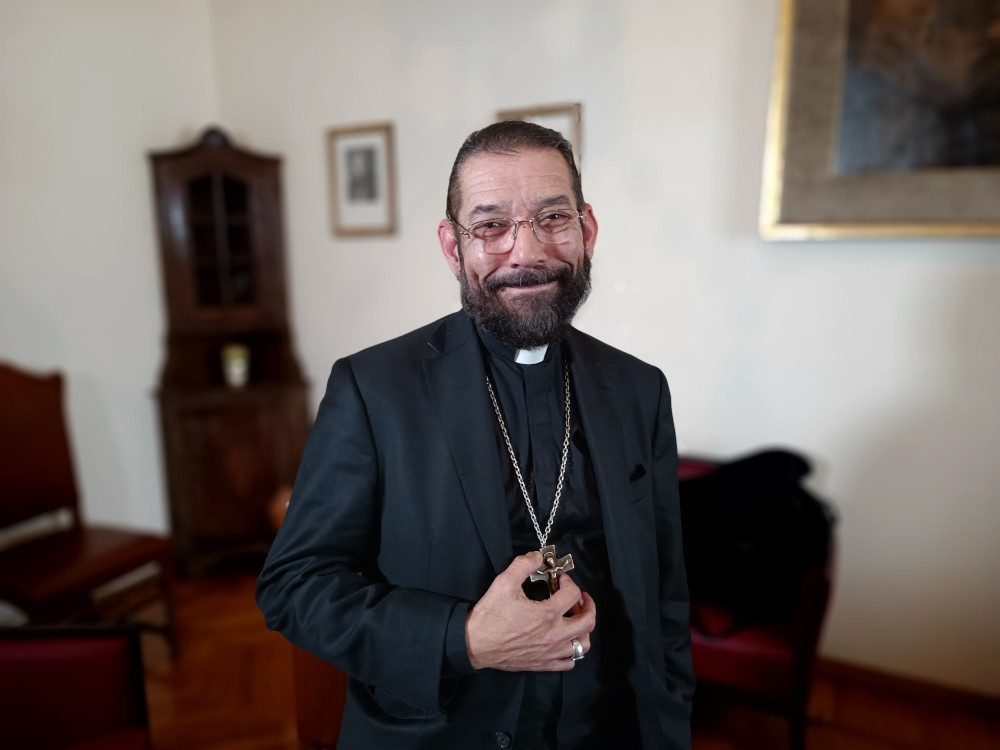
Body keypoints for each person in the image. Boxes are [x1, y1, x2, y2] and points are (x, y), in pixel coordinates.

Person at [256, 120, 694, 749]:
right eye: (490, 225)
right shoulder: (373, 388)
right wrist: (462, 638)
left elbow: (666, 592)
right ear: (451, 245)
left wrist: (670, 730)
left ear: (587, 229)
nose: (526, 253)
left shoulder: (639, 388)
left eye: (553, 218)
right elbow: (292, 587)